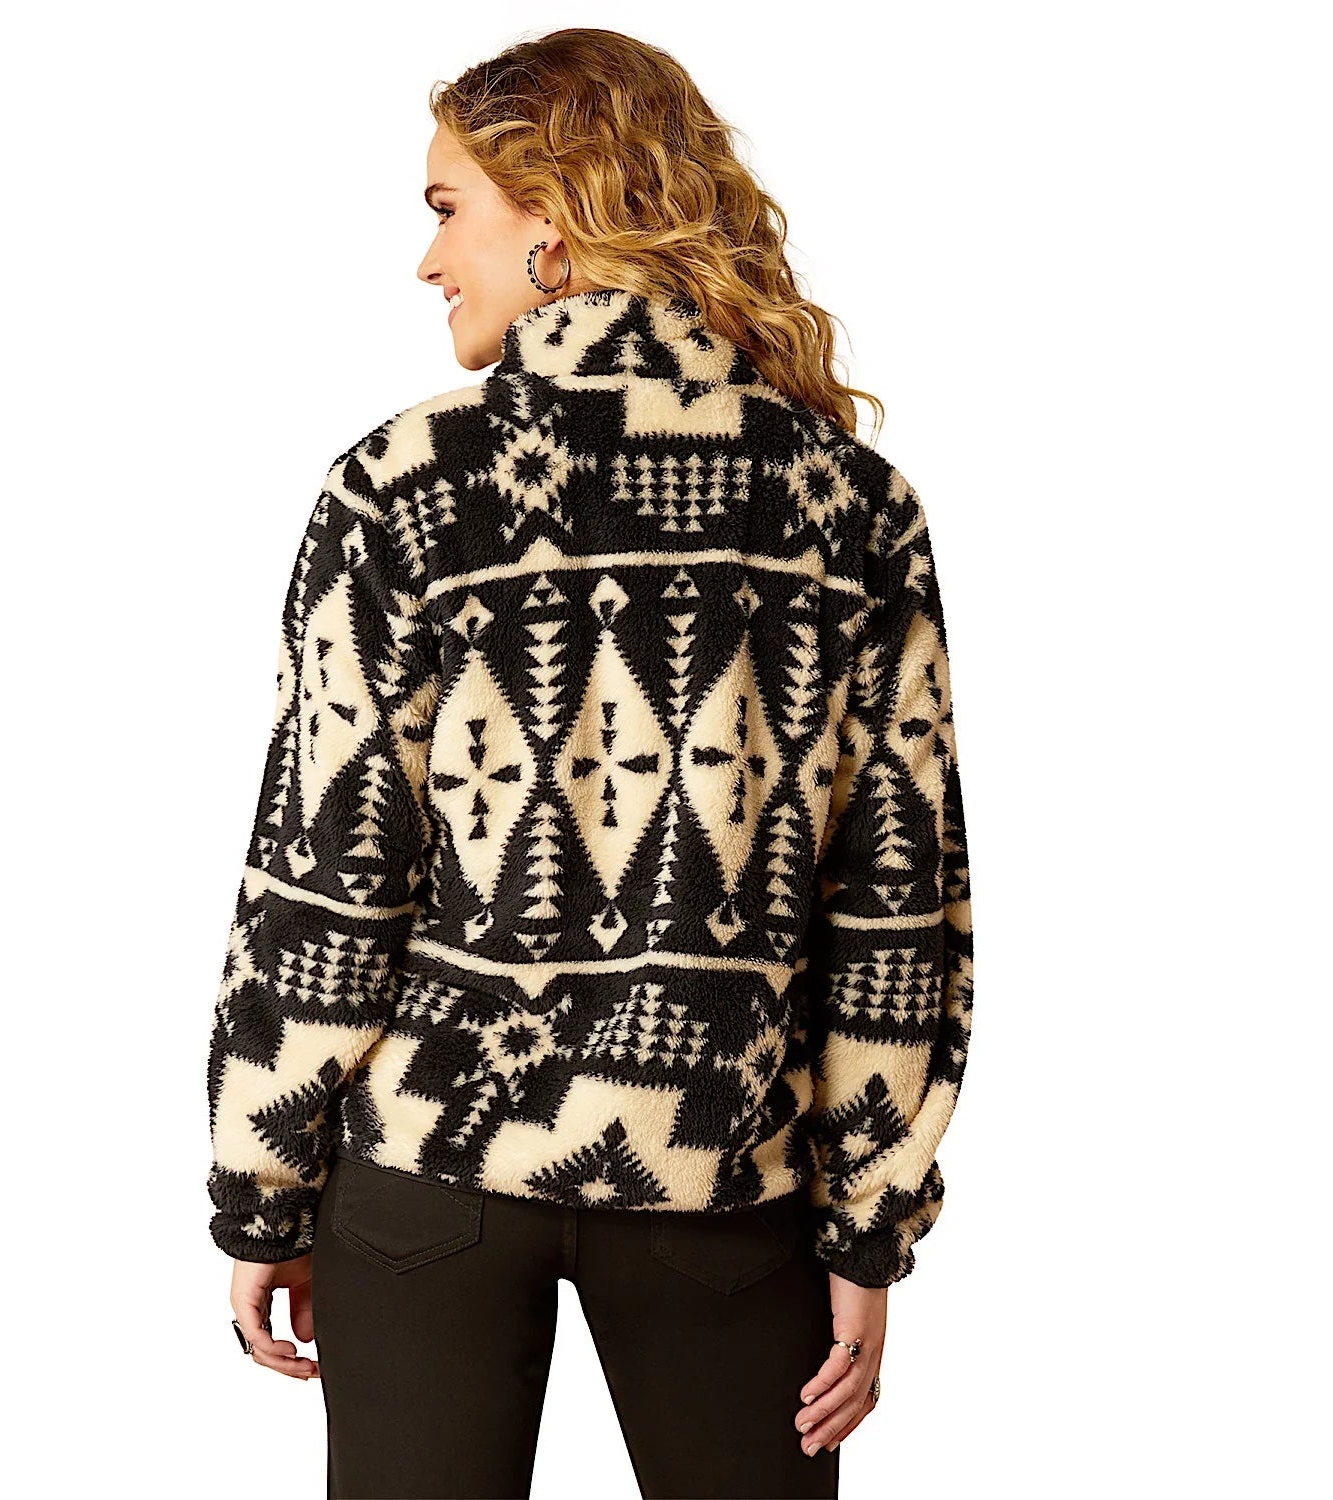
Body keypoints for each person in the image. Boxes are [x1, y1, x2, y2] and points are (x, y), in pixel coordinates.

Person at [204, 26, 974, 1500]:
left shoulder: (402, 487)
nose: (427, 261)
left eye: (447, 210)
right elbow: (893, 903)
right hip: (724, 1172)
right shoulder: (847, 503)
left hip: (427, 1167)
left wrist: (262, 1186)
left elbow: (327, 873)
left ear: (554, 217)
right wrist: (871, 1224)